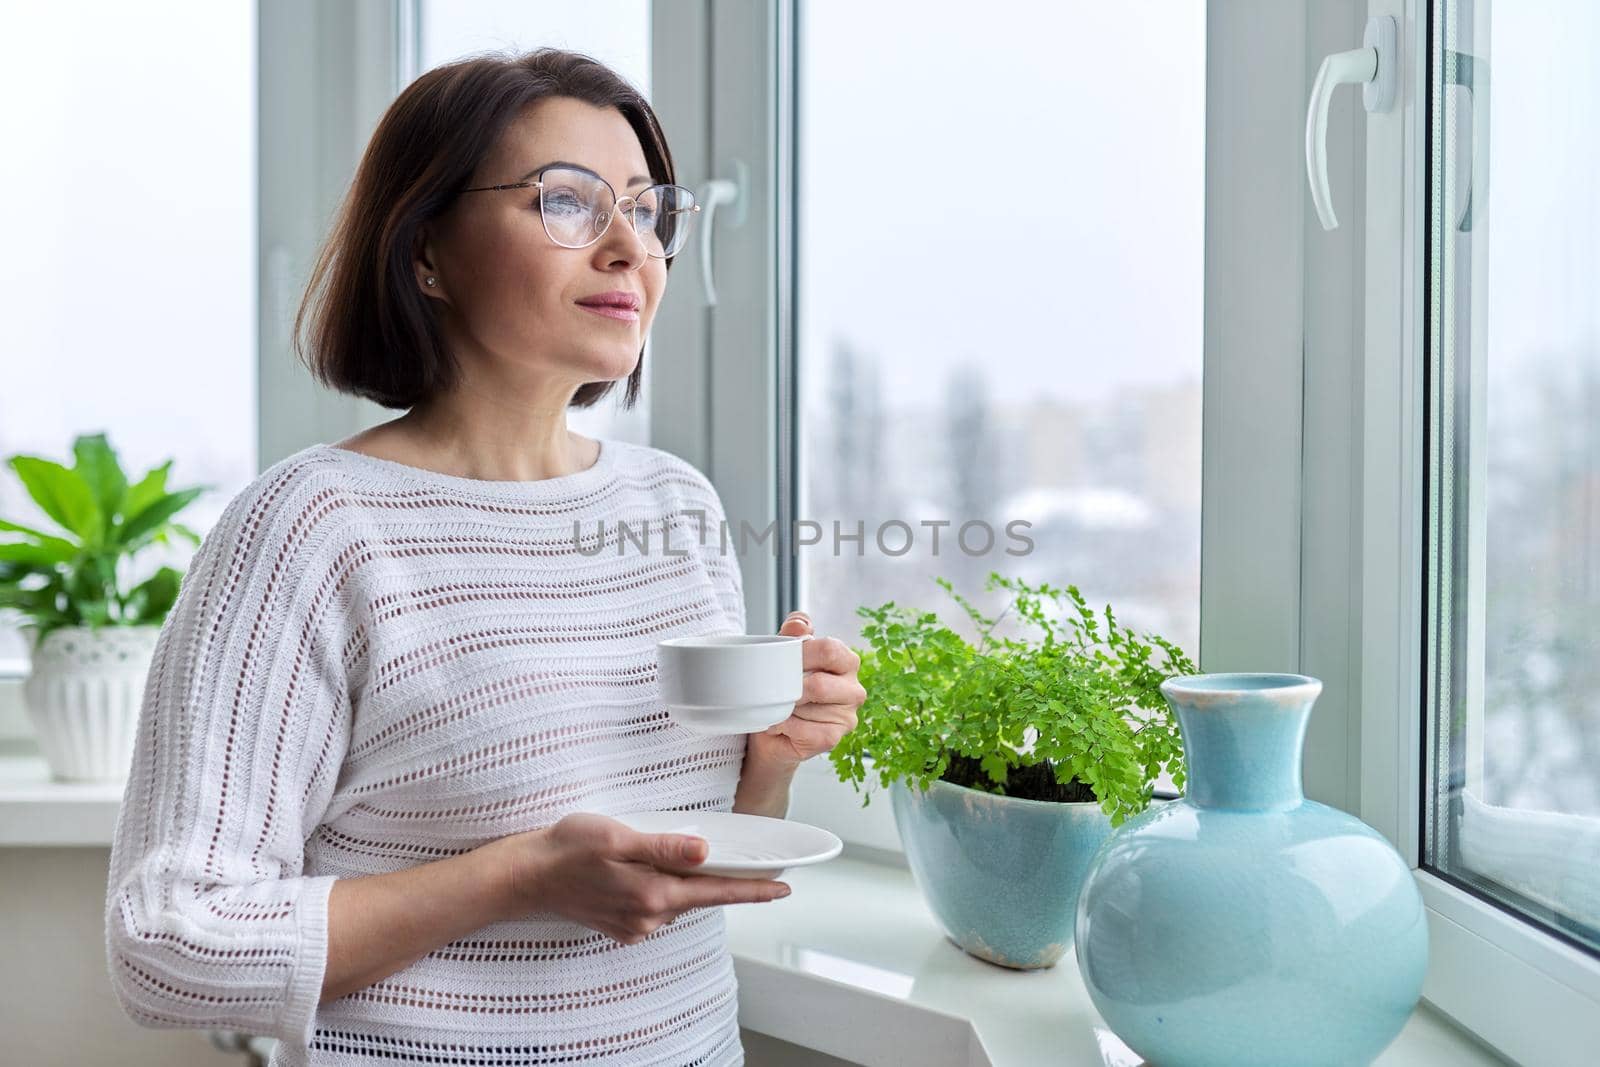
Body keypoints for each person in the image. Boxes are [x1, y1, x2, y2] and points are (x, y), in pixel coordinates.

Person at [104, 47, 866, 1067]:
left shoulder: (673, 504)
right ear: (426, 252)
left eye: (646, 211)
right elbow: (167, 945)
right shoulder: (310, 526)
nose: (625, 246)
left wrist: (767, 758)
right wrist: (519, 874)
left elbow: (682, 859)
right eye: (566, 201)